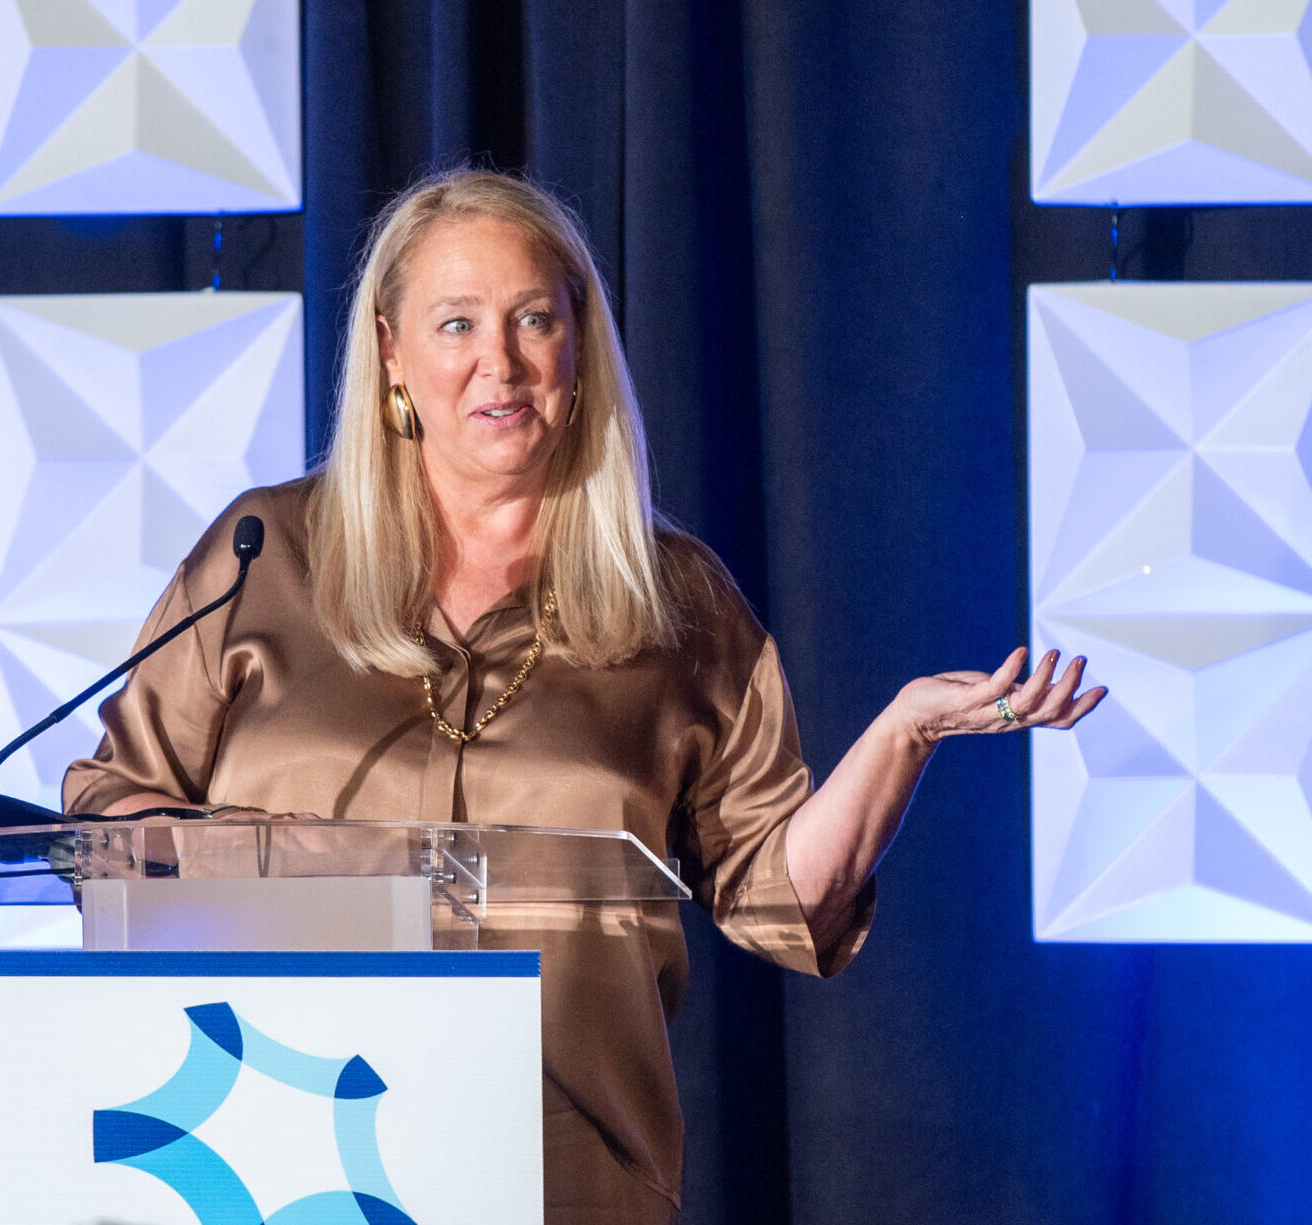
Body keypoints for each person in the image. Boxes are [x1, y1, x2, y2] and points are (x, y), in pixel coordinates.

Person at [63, 168, 1103, 1223]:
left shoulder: (676, 601)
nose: (499, 362)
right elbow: (108, 814)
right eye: (456, 323)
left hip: (563, 1167)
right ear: (390, 350)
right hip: (270, 1148)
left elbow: (777, 900)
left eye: (533, 320)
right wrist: (282, 861)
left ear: (579, 344)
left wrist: (901, 735)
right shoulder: (262, 556)